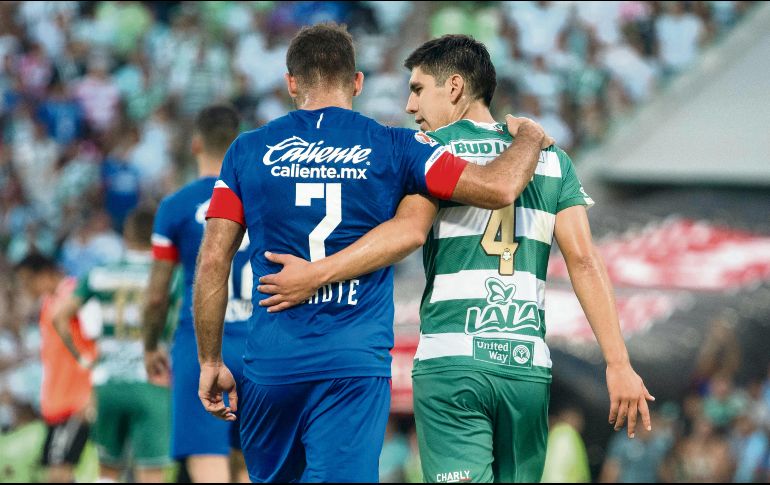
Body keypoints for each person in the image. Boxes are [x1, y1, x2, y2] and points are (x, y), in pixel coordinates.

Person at [257, 34, 654, 482]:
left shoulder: (428, 152)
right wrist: (618, 363)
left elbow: (406, 233)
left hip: (453, 362)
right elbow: (584, 260)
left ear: (455, 88)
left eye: (418, 88)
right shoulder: (552, 159)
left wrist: (314, 274)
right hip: (526, 366)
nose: (410, 106)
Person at [194, 23, 551, 484]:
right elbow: (499, 187)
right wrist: (528, 137)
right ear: (357, 82)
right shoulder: (397, 146)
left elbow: (211, 261)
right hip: (353, 364)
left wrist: (209, 360)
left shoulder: (245, 151)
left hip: (271, 365)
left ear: (291, 82)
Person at [143, 104, 250, 483]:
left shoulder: (175, 207)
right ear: (238, 143)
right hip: (259, 344)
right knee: (251, 464)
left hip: (200, 347)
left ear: (196, 145)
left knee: (208, 463)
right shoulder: (260, 198)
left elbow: (157, 295)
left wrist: (150, 344)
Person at [52, 207, 171, 483]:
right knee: (151, 472)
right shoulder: (167, 275)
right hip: (150, 381)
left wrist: (82, 359)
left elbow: (60, 317)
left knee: (107, 472)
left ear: (126, 236)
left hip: (107, 383)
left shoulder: (100, 273)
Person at [14, 253, 96, 483]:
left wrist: (91, 390)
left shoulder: (74, 295)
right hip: (57, 401)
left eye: (29, 281)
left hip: (76, 400)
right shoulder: (49, 302)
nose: (26, 288)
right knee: (56, 471)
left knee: (59, 472)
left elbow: (96, 341)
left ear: (47, 273)